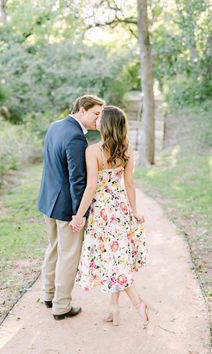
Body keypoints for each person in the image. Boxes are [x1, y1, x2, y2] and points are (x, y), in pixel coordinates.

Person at [70, 105, 149, 327]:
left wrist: (78, 215)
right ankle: (113, 308)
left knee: (115, 261)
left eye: (100, 119)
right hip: (121, 209)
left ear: (105, 125)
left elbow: (91, 187)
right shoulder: (126, 149)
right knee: (118, 257)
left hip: (103, 213)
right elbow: (129, 184)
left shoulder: (93, 151)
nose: (96, 121)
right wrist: (134, 211)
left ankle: (137, 304)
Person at [37, 95, 105, 320]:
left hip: (48, 202)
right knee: (68, 256)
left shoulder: (55, 127)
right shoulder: (76, 138)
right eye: (96, 114)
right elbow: (78, 180)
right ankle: (61, 306)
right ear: (82, 109)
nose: (98, 119)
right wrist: (80, 214)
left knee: (54, 248)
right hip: (67, 208)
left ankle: (48, 295)